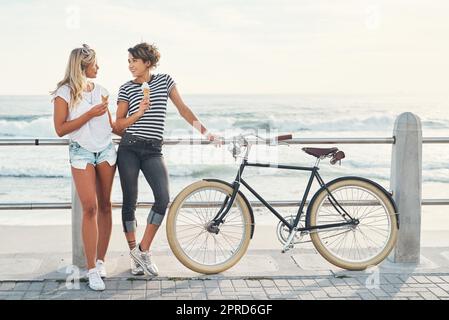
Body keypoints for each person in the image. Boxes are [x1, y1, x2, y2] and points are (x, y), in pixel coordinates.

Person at [115, 42, 222, 276]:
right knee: (129, 201)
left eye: (134, 61)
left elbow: (183, 109)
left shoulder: (164, 81)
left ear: (148, 63)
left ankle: (143, 251)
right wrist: (139, 113)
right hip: (129, 148)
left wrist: (206, 133)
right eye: (129, 61)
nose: (130, 65)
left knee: (162, 198)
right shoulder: (125, 88)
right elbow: (118, 125)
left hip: (153, 150)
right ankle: (134, 254)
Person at [52, 44, 116, 291]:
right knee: (90, 207)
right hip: (81, 153)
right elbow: (60, 129)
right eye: (95, 63)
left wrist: (137, 117)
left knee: (107, 206)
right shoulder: (64, 92)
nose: (98, 67)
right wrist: (89, 114)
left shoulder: (101, 91)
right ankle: (91, 270)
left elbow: (111, 125)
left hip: (107, 151)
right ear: (82, 65)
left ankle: (101, 262)